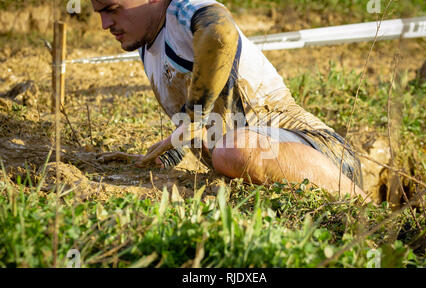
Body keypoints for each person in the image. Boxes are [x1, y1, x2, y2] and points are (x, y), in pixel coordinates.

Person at [91, 0, 369, 200]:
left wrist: (194, 116)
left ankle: (365, 206)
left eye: (111, 9)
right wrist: (167, 154)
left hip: (327, 160)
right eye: (98, 12)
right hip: (261, 166)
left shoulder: (181, 9)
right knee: (230, 150)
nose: (104, 24)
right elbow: (199, 119)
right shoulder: (147, 42)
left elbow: (220, 31)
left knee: (233, 150)